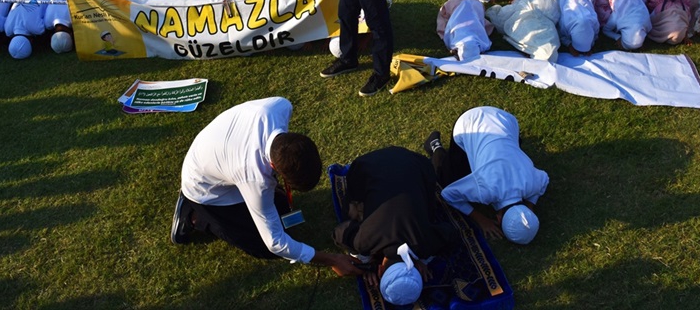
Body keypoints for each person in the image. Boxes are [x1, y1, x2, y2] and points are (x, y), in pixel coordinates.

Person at [171, 96, 362, 274]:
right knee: (260, 246)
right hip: (205, 188)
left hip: (218, 155)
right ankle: (193, 215)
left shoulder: (279, 107)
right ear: (274, 167)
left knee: (281, 208)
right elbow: (275, 243)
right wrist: (332, 260)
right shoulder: (254, 179)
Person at [332, 146, 459, 306]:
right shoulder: (362, 242)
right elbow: (339, 233)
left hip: (414, 161)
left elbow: (451, 234)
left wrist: (423, 256)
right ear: (379, 270)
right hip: (366, 165)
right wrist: (363, 258)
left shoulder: (427, 243)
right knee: (351, 211)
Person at [425, 106, 549, 244]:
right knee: (445, 178)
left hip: (504, 119)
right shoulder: (485, 191)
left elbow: (544, 180)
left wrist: (530, 206)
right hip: (468, 124)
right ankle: (435, 146)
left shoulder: (532, 183)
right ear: (499, 219)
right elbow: (448, 194)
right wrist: (481, 219)